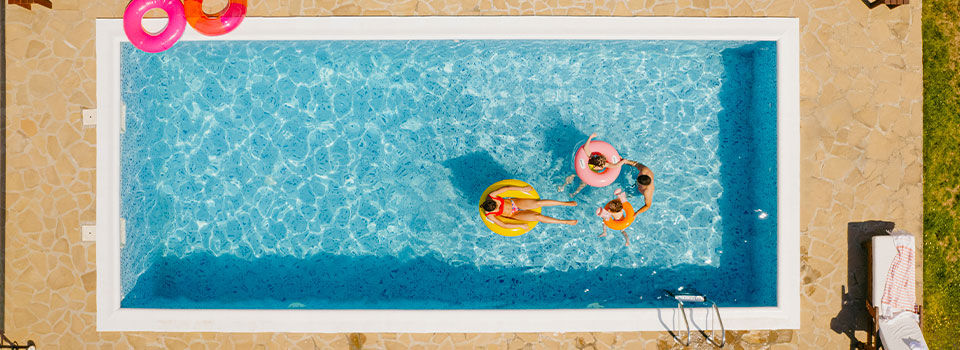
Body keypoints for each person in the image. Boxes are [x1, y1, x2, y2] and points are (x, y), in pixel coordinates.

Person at [558, 132, 629, 196]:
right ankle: (568, 189)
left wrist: (591, 137)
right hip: (586, 173)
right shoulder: (602, 163)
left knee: (576, 178)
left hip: (585, 172)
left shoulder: (593, 158)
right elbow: (615, 165)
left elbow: (585, 147)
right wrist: (624, 160)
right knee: (580, 181)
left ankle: (568, 189)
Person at [481, 185, 578, 229]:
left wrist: (522, 189)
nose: (498, 206)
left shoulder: (492, 195)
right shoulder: (489, 215)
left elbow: (507, 188)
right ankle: (564, 222)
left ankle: (565, 203)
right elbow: (503, 225)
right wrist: (520, 225)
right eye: (497, 208)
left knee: (538, 203)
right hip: (514, 214)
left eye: (497, 204)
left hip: (515, 203)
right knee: (537, 217)